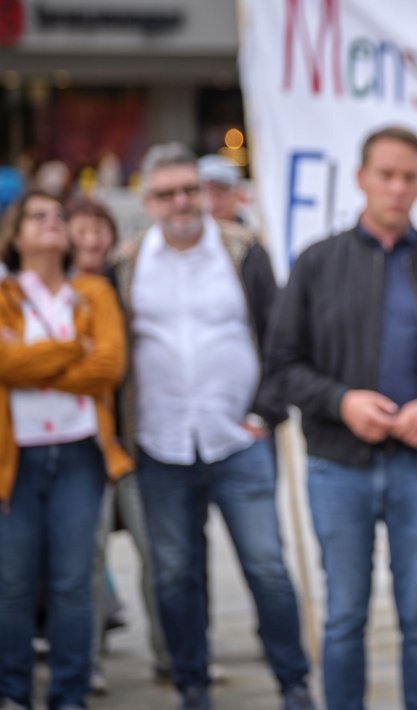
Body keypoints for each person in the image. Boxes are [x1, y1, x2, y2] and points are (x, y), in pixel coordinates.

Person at [266, 125, 417, 710]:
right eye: (386, 175)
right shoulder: (317, 263)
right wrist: (343, 401)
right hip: (338, 466)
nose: (397, 188)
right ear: (362, 178)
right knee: (344, 615)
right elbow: (282, 366)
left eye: (409, 177)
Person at [111, 143, 313, 710]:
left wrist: (265, 414)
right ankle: (192, 686)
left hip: (238, 441)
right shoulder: (126, 264)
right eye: (167, 193)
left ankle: (293, 684)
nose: (181, 202)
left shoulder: (243, 251)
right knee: (175, 577)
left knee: (268, 569)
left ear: (203, 193)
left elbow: (280, 339)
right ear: (147, 201)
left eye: (188, 190)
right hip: (159, 445)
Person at [0, 190, 131, 710]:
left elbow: (109, 367)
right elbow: (3, 367)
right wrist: (75, 348)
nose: (52, 223)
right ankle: (13, 692)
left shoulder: (93, 292)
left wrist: (31, 361)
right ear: (15, 234)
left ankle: (69, 693)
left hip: (80, 454)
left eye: (58, 216)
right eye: (38, 216)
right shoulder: (6, 293)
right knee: (12, 583)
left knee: (74, 584)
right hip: (17, 459)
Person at [67, 195, 172, 693]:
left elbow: (117, 364)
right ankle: (86, 662)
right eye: (80, 230)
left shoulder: (130, 280)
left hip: (131, 441)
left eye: (99, 230)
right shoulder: (50, 290)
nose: (91, 240)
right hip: (75, 442)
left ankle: (170, 656)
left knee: (158, 553)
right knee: (84, 562)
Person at [197, 154, 246, 226]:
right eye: (203, 192)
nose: (211, 201)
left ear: (237, 194)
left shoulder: (258, 232)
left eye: (220, 192)